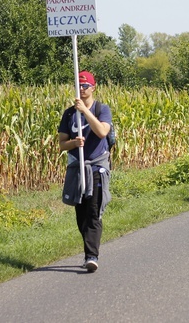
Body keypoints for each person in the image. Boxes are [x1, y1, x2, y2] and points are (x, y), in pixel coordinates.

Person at [59, 71, 112, 273]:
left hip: (97, 167)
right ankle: (89, 250)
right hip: (77, 168)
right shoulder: (69, 114)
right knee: (80, 214)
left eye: (85, 86)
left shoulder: (101, 109)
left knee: (93, 211)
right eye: (79, 86)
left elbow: (102, 132)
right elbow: (62, 144)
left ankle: (92, 256)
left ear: (93, 87)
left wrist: (85, 111)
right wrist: (74, 142)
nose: (82, 89)